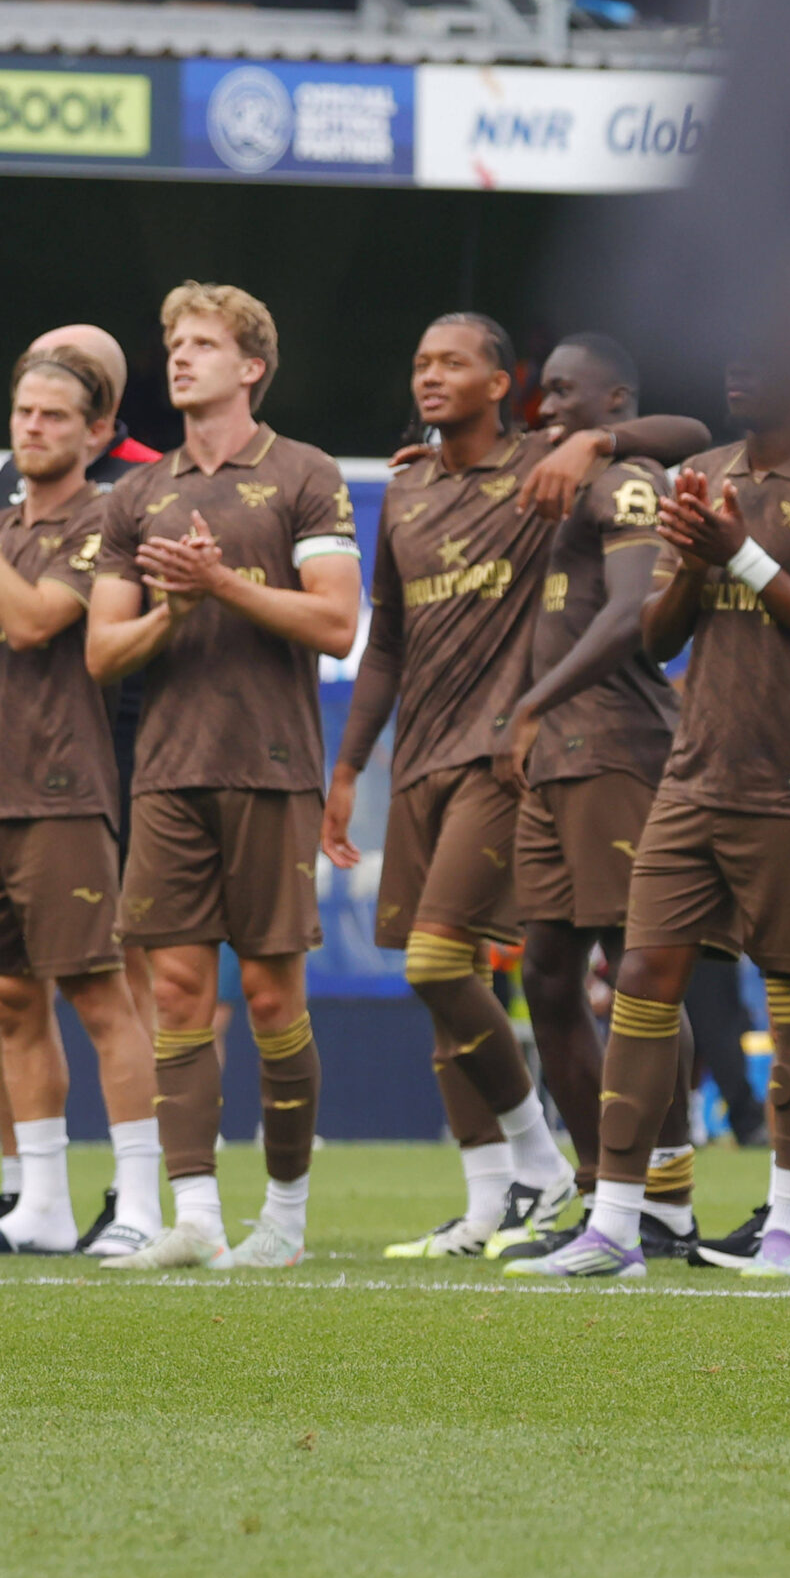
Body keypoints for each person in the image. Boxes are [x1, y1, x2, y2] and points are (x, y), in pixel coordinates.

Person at [513, 362, 790, 1280]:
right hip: (694, 774)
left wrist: (743, 558)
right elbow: (659, 634)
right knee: (639, 975)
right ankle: (617, 1223)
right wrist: (690, 554)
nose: (740, 371)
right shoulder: (708, 472)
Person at [73, 286, 363, 1269]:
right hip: (164, 775)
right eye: (173, 342)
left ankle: (281, 1218)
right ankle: (192, 1215)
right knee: (179, 988)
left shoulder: (304, 473)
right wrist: (172, 611)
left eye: (202, 344)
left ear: (251, 367)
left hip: (273, 769)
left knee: (276, 998)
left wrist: (223, 585)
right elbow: (102, 651)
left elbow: (335, 624)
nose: (180, 357)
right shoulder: (136, 496)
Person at [325, 315, 581, 1258]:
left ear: (500, 381)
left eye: (451, 362)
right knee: (446, 986)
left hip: (502, 758)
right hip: (420, 761)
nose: (429, 375)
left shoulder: (547, 469)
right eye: (421, 359)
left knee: (439, 964)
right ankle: (485, 1205)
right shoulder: (406, 490)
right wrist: (349, 765)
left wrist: (592, 436)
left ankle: (543, 1165)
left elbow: (668, 441)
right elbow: (384, 642)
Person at [0, 345, 160, 1257]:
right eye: (22, 412)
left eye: (54, 415)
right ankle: (41, 1205)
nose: (32, 427)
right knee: (12, 998)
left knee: (98, 993)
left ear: (96, 432)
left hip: (66, 788)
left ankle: (138, 1202)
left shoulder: (109, 518)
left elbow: (38, 618)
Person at [490, 333, 705, 1262]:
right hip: (559, 759)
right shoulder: (553, 473)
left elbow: (630, 617)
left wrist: (534, 702)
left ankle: (666, 1195)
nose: (550, 406)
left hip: (617, 744)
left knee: (636, 968)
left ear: (617, 400)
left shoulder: (631, 474)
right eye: (546, 392)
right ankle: (599, 1188)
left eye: (570, 392)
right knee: (544, 971)